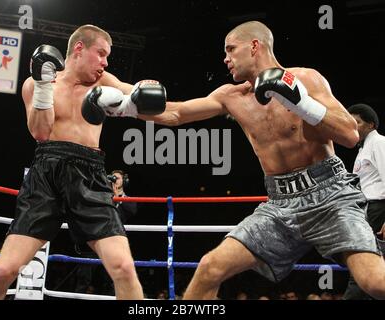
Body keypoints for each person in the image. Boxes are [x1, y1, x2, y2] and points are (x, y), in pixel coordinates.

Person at [139, 21, 385, 299]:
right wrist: (128, 103)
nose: (225, 58)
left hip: (331, 195)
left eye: (231, 49)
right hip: (280, 204)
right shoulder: (231, 96)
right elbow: (176, 114)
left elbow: (350, 135)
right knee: (209, 268)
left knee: (374, 281)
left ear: (254, 46)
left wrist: (301, 103)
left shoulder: (306, 79)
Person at [0, 24, 165, 300]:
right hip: (46, 173)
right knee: (5, 269)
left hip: (90, 174)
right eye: (101, 53)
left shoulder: (104, 82)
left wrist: (150, 91)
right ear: (79, 48)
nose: (105, 62)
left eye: (107, 56)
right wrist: (42, 87)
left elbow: (147, 102)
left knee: (123, 267)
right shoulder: (38, 83)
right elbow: (40, 132)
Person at [342, 103, 385, 300]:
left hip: (378, 210)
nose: (354, 126)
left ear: (371, 125)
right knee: (370, 269)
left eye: (357, 122)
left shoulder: (379, 143)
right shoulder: (362, 150)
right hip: (367, 212)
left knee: (364, 267)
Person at [74, 170, 138, 295]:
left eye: (117, 178)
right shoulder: (101, 196)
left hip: (115, 241)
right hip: (97, 239)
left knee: (110, 279)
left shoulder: (128, 200)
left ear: (124, 181)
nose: (114, 180)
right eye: (112, 178)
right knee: (84, 276)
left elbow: (131, 211)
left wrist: (117, 198)